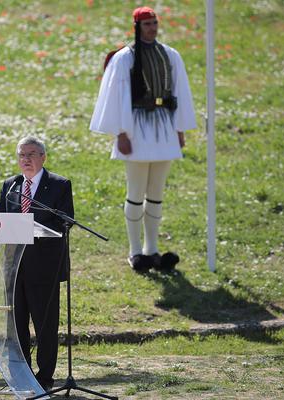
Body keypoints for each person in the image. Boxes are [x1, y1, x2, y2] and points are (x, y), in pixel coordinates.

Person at [90, 6, 196, 273]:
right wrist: (121, 133)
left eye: (154, 23)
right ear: (137, 27)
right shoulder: (124, 58)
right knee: (136, 191)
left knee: (157, 193)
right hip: (136, 127)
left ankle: (152, 249)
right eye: (147, 24)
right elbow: (116, 97)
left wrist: (179, 130)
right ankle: (135, 251)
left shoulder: (170, 54)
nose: (152, 28)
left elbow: (180, 91)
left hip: (164, 125)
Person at [0, 136, 74, 391]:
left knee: (45, 326)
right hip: (15, 267)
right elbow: (1, 217)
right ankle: (21, 375)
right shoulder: (11, 185)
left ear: (43, 157)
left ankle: (44, 378)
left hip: (45, 267)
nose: (25, 159)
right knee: (16, 325)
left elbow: (65, 221)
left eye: (30, 154)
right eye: (21, 155)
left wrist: (32, 226)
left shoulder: (59, 185)